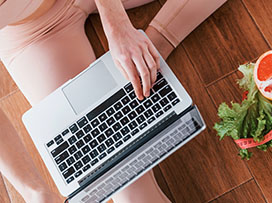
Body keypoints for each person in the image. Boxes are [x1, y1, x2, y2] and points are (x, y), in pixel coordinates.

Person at [0, 0, 227, 202]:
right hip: (35, 33)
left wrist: (117, 24)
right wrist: (34, 191)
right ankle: (147, 56)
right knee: (131, 192)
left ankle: (156, 46)